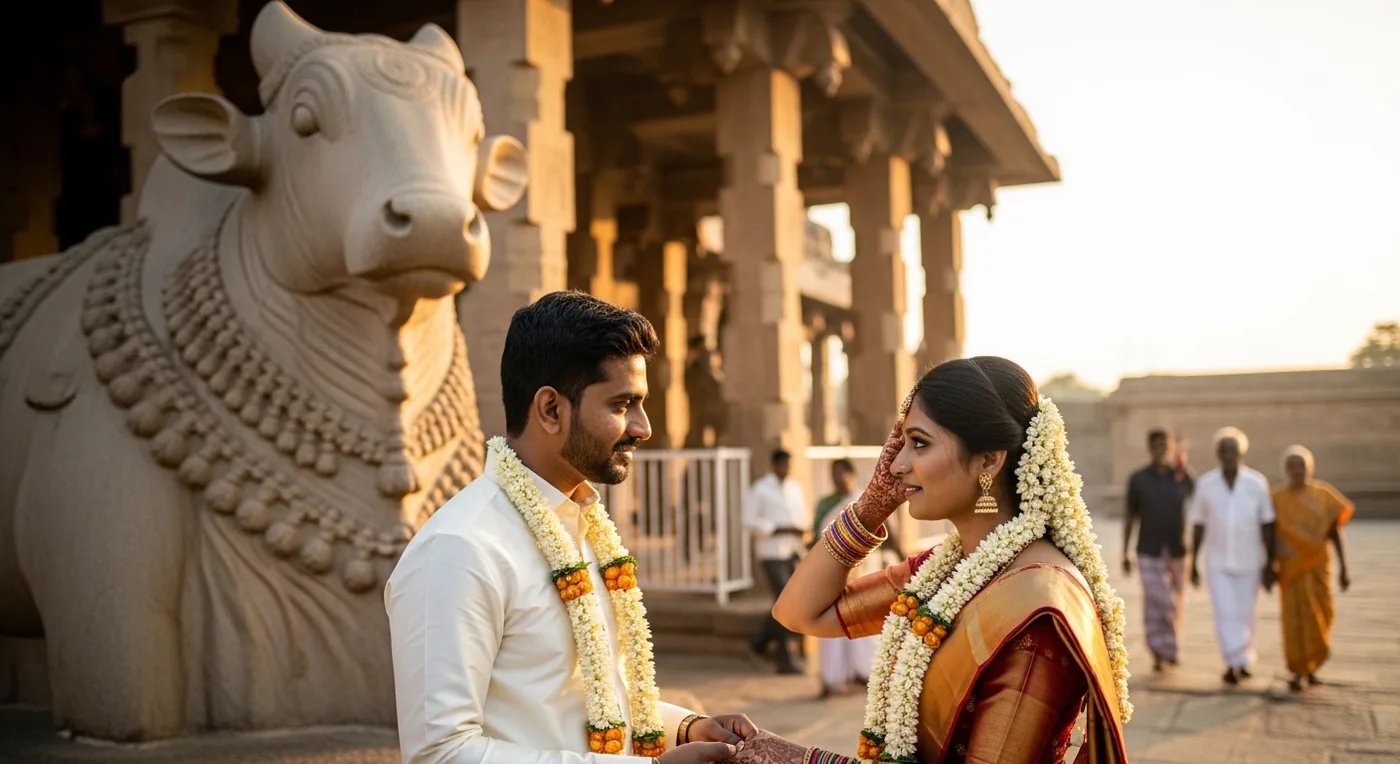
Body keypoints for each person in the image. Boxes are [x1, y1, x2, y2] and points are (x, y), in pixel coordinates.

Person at [385, 291, 754, 763]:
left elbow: (587, 708)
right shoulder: (459, 549)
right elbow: (441, 753)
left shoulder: (583, 528)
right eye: (623, 404)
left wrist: (685, 728)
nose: (643, 428)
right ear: (551, 410)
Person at [728, 357, 1131, 764]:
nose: (896, 465)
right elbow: (800, 613)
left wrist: (799, 760)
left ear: (989, 461)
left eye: (919, 443)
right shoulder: (941, 573)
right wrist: (870, 508)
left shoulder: (1038, 610)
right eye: (901, 443)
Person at [1187, 427, 1277, 686]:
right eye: (1223, 450)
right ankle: (1232, 662)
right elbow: (1198, 523)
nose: (1228, 454)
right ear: (1218, 453)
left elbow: (1267, 523)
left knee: (1246, 612)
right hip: (1217, 561)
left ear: (1242, 452)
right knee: (1225, 611)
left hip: (1250, 560)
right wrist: (1193, 562)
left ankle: (1244, 658)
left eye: (1233, 450)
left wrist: (1271, 561)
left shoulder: (1256, 483)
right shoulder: (1206, 484)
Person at [1271, 445, 1354, 692]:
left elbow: (1335, 532)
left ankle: (1313, 666)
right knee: (1294, 620)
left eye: (1302, 466)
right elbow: (1267, 532)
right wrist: (1269, 563)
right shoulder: (1276, 498)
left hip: (1318, 566)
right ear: (1285, 470)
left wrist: (1344, 568)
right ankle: (1298, 670)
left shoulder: (1324, 495)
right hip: (1291, 568)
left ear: (1311, 469)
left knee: (1321, 616)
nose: (1298, 471)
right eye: (1292, 466)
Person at [809, 459, 895, 697]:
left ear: (851, 475)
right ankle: (832, 678)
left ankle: (866, 674)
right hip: (833, 575)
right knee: (831, 627)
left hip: (863, 572)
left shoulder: (864, 501)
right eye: (833, 474)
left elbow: (888, 536)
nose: (837, 479)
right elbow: (816, 535)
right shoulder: (826, 504)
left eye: (841, 474)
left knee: (861, 623)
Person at [1122, 429, 1194, 672]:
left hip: (1177, 550)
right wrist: (1124, 551)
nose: (1162, 448)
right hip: (1148, 550)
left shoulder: (1182, 476)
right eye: (1157, 445)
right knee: (1157, 602)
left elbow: (1199, 499)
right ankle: (1158, 651)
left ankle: (1170, 649)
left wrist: (1183, 465)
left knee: (1174, 602)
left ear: (1172, 447)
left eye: (1166, 444)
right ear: (1150, 448)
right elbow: (1130, 516)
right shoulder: (1139, 479)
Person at [744, 449, 809, 675]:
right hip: (771, 552)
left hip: (792, 551)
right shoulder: (761, 489)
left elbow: (800, 515)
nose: (786, 469)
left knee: (791, 601)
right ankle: (784, 659)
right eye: (782, 465)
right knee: (785, 602)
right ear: (774, 465)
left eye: (788, 465)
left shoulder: (794, 488)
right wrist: (778, 528)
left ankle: (759, 644)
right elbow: (749, 520)